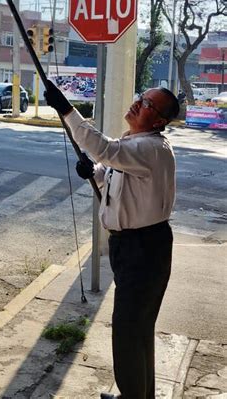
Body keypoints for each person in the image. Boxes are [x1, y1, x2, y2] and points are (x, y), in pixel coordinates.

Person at [44, 81, 180, 399]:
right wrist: (93, 172)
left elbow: (105, 150)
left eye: (147, 104)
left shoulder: (150, 149)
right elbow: (111, 175)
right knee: (138, 330)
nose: (137, 104)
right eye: (141, 98)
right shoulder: (136, 143)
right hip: (132, 247)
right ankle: (139, 394)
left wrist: (66, 110)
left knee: (129, 332)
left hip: (144, 250)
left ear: (159, 120)